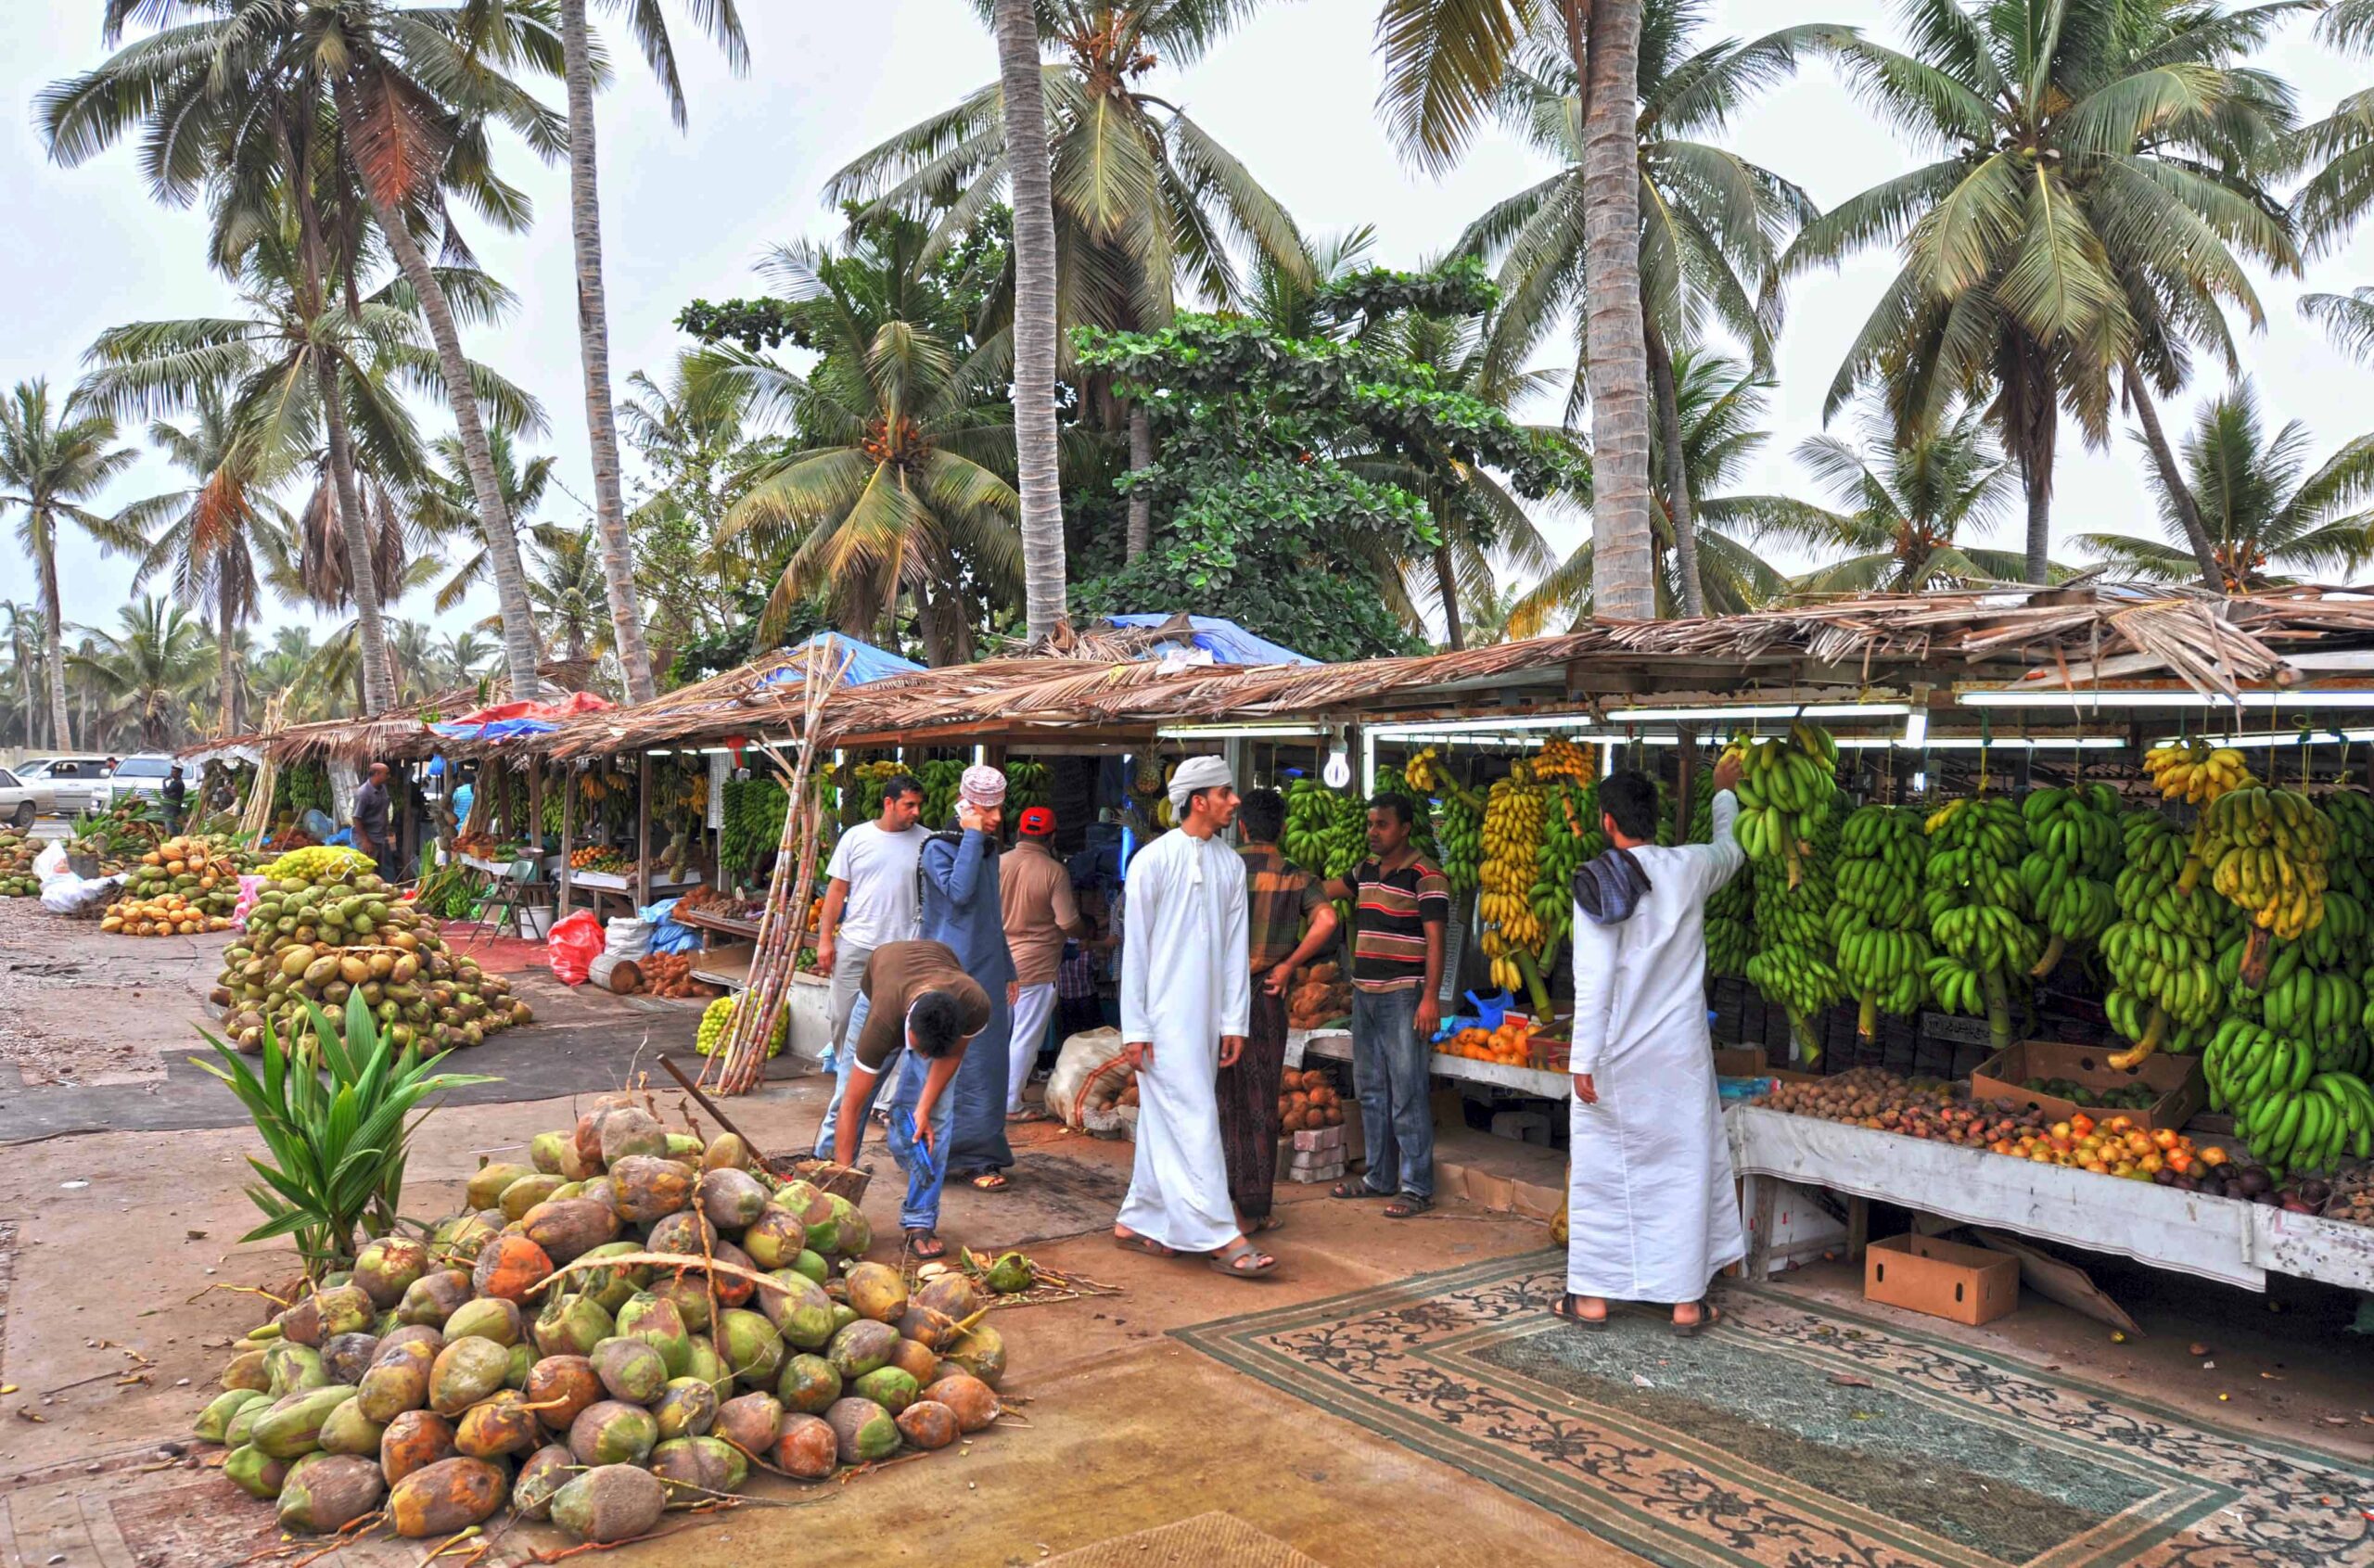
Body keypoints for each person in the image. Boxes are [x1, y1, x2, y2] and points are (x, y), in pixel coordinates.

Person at [1560, 757, 1749, 1336]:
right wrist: (1724, 796)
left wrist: (1581, 1059)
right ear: (1656, 819)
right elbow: (1732, 850)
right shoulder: (1689, 867)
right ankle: (1686, 1304)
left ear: (1608, 820)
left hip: (1616, 1055)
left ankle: (1591, 1298)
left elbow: (1592, 980)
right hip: (1680, 1056)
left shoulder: (1596, 880)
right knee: (1682, 1172)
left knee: (1604, 1172)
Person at [1113, 756, 1276, 1278]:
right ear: (1199, 800)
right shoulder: (1152, 862)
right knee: (1196, 1118)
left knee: (1170, 1120)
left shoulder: (1230, 865)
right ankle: (1219, 1234)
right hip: (1162, 1020)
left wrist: (1234, 1022)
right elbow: (1133, 950)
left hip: (1206, 1021)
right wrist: (1135, 1028)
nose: (1234, 802)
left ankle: (1137, 1220)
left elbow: (1235, 951)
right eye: (1226, 793)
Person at [1323, 795, 1449, 1218]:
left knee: (1407, 1090)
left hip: (1403, 994)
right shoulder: (1366, 871)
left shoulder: (1426, 875)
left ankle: (1416, 1186)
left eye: (1382, 825)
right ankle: (1379, 1176)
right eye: (1370, 824)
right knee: (1372, 1089)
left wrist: (1429, 998)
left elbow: (1436, 941)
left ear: (1406, 828)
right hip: (1365, 993)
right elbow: (1324, 891)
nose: (1373, 832)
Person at [827, 938, 993, 1260]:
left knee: (939, 1118)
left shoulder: (974, 1005)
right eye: (921, 1051)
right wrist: (843, 1187)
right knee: (847, 1098)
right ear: (908, 1031)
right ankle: (827, 1186)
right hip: (882, 977)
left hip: (935, 968)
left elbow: (952, 1056)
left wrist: (924, 1109)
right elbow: (852, 1105)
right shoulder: (883, 1023)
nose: (924, 1058)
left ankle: (920, 1222)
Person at [1225, 788, 1340, 1235]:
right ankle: (1255, 1207)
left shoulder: (1223, 866)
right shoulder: (1295, 875)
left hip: (1217, 993)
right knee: (1258, 1101)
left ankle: (1218, 1202)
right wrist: (1291, 964)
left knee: (1218, 1099)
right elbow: (1327, 921)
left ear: (1243, 826)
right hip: (1265, 993)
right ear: (1283, 827)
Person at [810, 776, 929, 1159]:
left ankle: (872, 1097)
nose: (916, 812)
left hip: (902, 954)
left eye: (918, 806)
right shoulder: (856, 838)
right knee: (844, 1021)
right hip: (857, 947)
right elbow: (836, 891)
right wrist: (826, 940)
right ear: (888, 803)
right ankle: (850, 1092)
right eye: (909, 805)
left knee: (897, 1033)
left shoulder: (928, 842)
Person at [919, 766, 1019, 1191]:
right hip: (949, 971)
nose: (995, 817)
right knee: (945, 1062)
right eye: (987, 808)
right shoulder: (937, 848)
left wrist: (1009, 966)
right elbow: (958, 895)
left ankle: (982, 1158)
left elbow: (991, 915)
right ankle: (932, 1151)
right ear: (966, 806)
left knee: (988, 1067)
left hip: (989, 968)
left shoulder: (985, 848)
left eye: (998, 808)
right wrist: (973, 834)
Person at [999, 805, 1087, 1119]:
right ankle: (1009, 1103)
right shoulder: (1053, 871)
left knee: (998, 1036)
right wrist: (1085, 931)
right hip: (1035, 967)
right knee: (1024, 1038)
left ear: (1019, 831)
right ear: (1051, 836)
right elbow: (1067, 922)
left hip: (997, 962)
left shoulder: (998, 863)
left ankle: (991, 1100)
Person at [352, 762, 398, 882]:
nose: (389, 776)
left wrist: (388, 827)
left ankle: (384, 891)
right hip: (369, 838)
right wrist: (365, 840)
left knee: (383, 869)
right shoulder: (363, 794)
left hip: (381, 836)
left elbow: (384, 808)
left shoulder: (383, 789)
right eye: (386, 773)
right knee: (367, 872)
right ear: (377, 774)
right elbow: (356, 818)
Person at [161, 765, 187, 835]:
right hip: (171, 807)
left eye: (174, 772)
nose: (171, 773)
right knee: (170, 824)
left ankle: (174, 837)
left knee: (170, 825)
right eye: (171, 771)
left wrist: (164, 781)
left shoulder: (178, 783)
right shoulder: (175, 782)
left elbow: (165, 791)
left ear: (179, 773)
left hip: (172, 807)